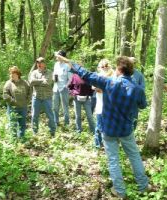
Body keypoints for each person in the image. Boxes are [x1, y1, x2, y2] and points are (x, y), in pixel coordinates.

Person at [57, 55, 149, 198]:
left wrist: (69, 62)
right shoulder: (137, 89)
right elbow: (143, 105)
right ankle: (143, 186)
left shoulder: (109, 83)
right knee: (134, 156)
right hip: (126, 129)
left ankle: (120, 190)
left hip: (110, 129)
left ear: (118, 69)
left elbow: (86, 74)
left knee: (113, 159)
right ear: (131, 71)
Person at [29, 57, 56, 136]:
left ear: (44, 64)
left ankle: (52, 132)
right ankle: (35, 132)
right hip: (36, 97)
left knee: (50, 115)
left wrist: (37, 82)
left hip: (47, 97)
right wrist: (42, 80)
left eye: (41, 62)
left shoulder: (49, 72)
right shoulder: (34, 72)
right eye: (38, 63)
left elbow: (48, 83)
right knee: (34, 115)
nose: (39, 64)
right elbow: (31, 82)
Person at [3, 66, 30, 138]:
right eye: (11, 74)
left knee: (22, 124)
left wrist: (27, 101)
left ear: (18, 74)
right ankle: (14, 139)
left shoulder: (24, 82)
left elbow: (30, 92)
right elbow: (5, 95)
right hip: (13, 107)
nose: (11, 75)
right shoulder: (8, 83)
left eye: (13, 73)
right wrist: (13, 102)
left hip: (23, 107)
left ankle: (22, 138)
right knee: (13, 124)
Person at [93, 59, 114, 148]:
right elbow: (94, 87)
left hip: (111, 107)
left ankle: (108, 144)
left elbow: (114, 89)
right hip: (100, 106)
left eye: (106, 66)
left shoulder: (113, 75)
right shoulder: (97, 76)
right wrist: (104, 90)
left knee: (110, 126)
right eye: (102, 66)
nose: (105, 68)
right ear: (99, 67)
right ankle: (98, 144)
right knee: (99, 126)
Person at [52, 50, 72, 126]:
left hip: (64, 88)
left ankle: (66, 123)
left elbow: (70, 79)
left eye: (59, 56)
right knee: (55, 107)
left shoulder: (67, 65)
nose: (57, 57)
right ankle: (56, 122)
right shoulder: (56, 64)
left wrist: (65, 86)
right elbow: (54, 74)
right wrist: (53, 78)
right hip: (55, 88)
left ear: (63, 57)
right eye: (57, 56)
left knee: (65, 107)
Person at [129, 57, 146, 130]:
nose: (132, 64)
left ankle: (132, 134)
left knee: (134, 120)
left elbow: (142, 87)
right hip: (123, 100)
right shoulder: (122, 72)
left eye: (134, 63)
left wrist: (135, 87)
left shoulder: (139, 74)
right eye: (130, 63)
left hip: (134, 102)